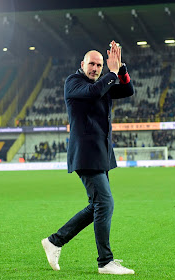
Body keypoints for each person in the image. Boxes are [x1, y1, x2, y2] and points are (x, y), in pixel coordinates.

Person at [41, 41, 135, 275]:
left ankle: (55, 241)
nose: (95, 68)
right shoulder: (74, 83)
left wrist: (120, 69)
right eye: (91, 64)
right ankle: (105, 261)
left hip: (101, 154)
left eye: (99, 65)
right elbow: (93, 92)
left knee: (97, 205)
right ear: (82, 64)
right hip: (86, 154)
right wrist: (111, 73)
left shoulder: (103, 82)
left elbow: (128, 90)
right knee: (105, 204)